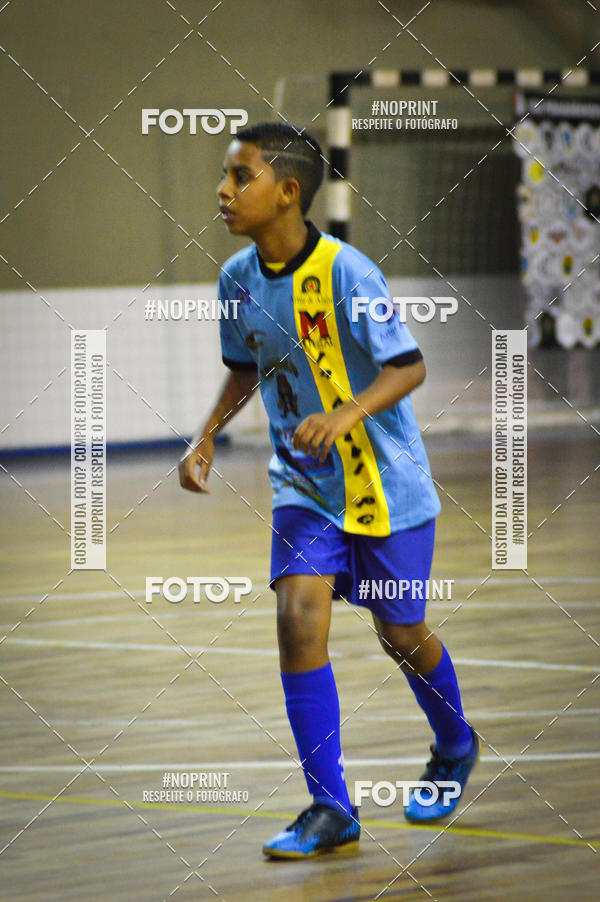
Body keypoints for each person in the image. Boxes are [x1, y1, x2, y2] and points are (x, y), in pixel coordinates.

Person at [179, 122, 478, 859]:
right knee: (298, 614)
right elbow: (246, 369)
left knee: (400, 635)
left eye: (239, 177)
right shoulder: (236, 281)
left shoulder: (351, 274)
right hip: (304, 487)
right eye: (225, 175)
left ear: (287, 192)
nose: (223, 191)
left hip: (386, 485)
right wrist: (209, 431)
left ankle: (454, 742)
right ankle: (331, 806)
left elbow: (407, 367)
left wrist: (345, 413)